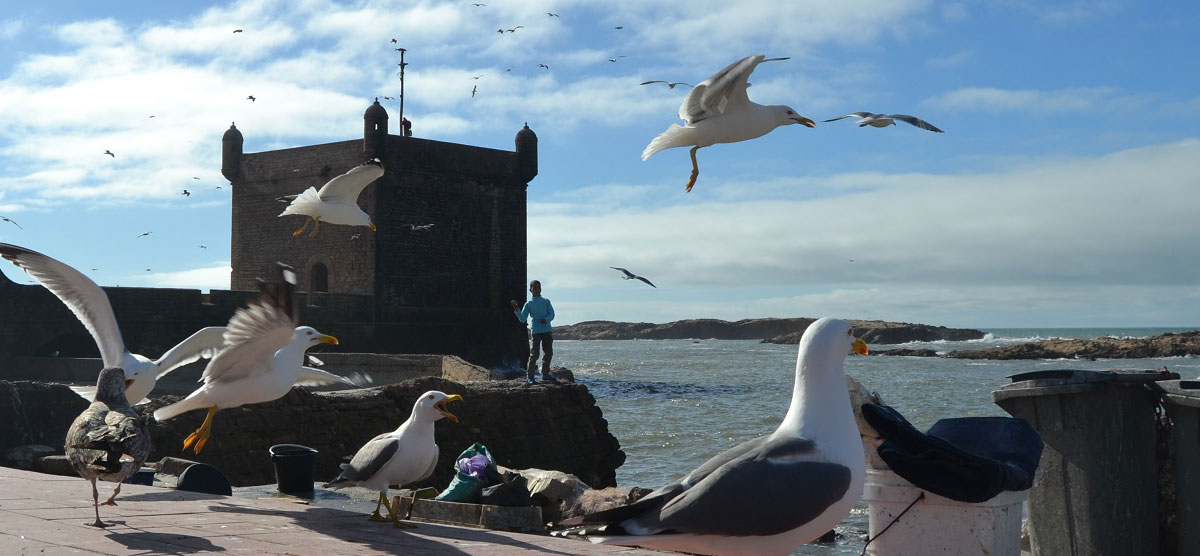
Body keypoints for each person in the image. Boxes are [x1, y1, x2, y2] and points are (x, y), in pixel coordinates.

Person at [511, 280, 555, 384]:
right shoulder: (528, 304)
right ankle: (530, 377)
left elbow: (552, 314)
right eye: (534, 287)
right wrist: (517, 309)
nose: (537, 289)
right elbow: (522, 319)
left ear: (541, 289)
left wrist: (546, 319)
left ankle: (546, 374)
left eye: (538, 287)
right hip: (536, 331)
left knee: (548, 353)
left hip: (547, 330)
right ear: (530, 290)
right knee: (534, 354)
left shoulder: (546, 301)